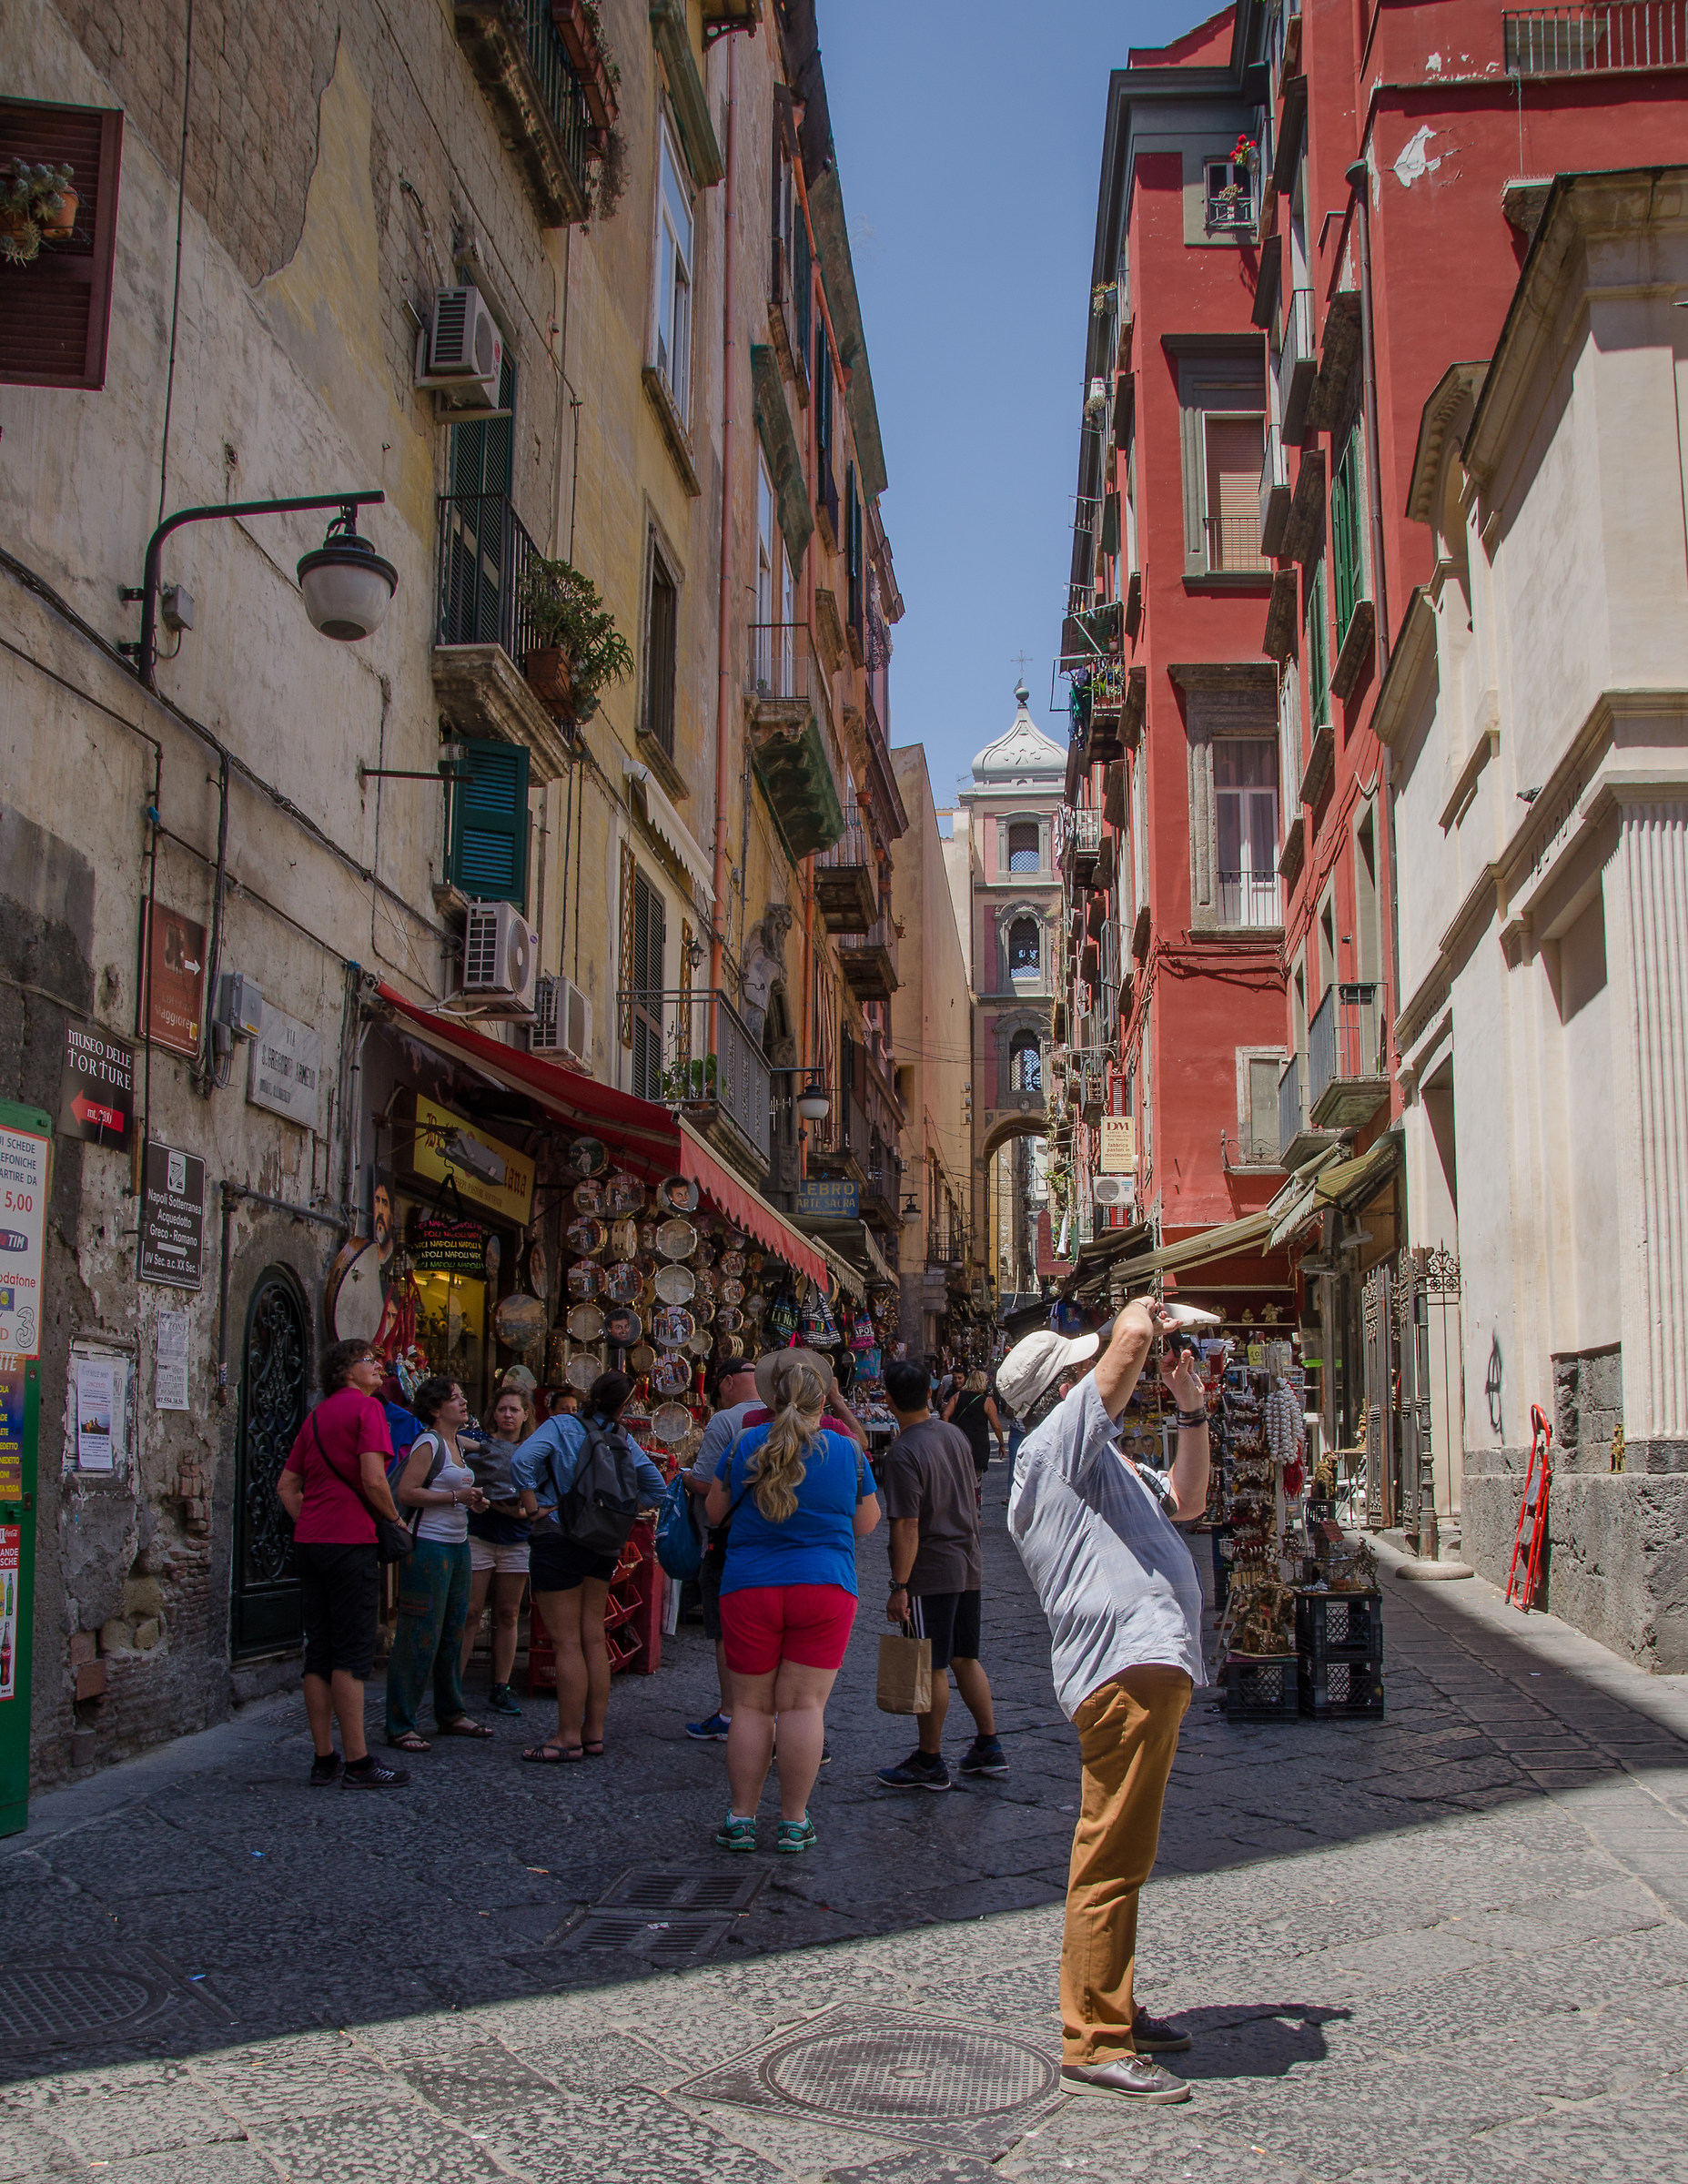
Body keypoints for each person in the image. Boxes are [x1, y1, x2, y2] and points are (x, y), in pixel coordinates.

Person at [1001, 1299, 1210, 2105]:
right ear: (1065, 1391)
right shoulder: (1053, 1450)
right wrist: (1143, 1315)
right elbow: (1124, 1345)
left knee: (1125, 1853)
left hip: (1144, 1666)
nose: (1098, 1377)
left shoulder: (1102, 1463)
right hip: (1123, 1670)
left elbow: (1187, 1504)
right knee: (1111, 1857)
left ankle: (1110, 2004)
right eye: (1082, 1372)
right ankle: (1093, 2035)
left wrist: (1190, 1409)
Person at [703, 1355, 880, 1854]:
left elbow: (716, 1511)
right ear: (823, 1401)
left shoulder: (744, 1443)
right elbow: (866, 1523)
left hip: (749, 1587)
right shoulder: (847, 1450)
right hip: (825, 1587)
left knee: (751, 1708)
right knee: (803, 1706)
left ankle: (741, 1818)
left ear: (772, 1398)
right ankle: (794, 1821)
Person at [277, 1340, 410, 1789]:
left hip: (311, 1542)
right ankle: (358, 1763)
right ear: (347, 1371)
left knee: (319, 1651)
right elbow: (373, 1477)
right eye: (369, 1361)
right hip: (350, 1543)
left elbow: (286, 1487)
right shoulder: (367, 1410)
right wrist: (395, 1520)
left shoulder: (316, 1417)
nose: (378, 1367)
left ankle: (323, 1758)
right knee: (352, 1656)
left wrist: (313, 1520)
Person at [512, 1370, 666, 1763]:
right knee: (594, 1638)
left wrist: (533, 1508)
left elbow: (521, 1462)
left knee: (565, 1642)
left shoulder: (563, 1425)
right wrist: (617, 1512)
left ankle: (566, 1737)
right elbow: (656, 1489)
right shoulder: (622, 1436)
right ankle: (593, 1734)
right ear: (624, 1404)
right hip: (603, 1543)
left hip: (559, 1536)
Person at [875, 1359, 1006, 1790]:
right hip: (967, 1560)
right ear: (929, 1395)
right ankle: (988, 1745)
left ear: (888, 1399)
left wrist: (899, 1585)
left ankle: (930, 1758)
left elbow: (907, 1524)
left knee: (930, 1663)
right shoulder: (951, 1435)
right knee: (965, 1656)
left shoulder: (904, 1452)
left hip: (931, 1569)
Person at [385, 1377, 495, 1754]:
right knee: (419, 1634)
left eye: (462, 1396)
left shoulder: (457, 1445)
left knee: (454, 1630)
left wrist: (472, 1500)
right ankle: (400, 1723)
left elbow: (452, 1493)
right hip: (428, 1547)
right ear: (436, 1409)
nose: (463, 1402)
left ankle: (451, 1712)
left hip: (457, 1544)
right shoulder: (429, 1443)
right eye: (455, 1398)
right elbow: (406, 1492)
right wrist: (455, 1496)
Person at [681, 1354, 760, 1741]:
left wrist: (684, 1478)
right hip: (780, 1546)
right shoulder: (794, 1420)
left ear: (727, 1383)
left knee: (727, 1631)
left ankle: (731, 1713)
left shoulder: (728, 1421)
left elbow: (708, 1487)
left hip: (728, 1540)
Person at [459, 1384, 534, 1716]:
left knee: (508, 1613)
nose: (507, 1415)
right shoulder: (480, 1447)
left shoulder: (533, 1451)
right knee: (470, 1613)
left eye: (514, 1410)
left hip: (516, 1538)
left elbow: (540, 1499)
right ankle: (454, 1684)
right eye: (503, 1409)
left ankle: (500, 1686)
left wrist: (515, 1511)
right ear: (494, 1413)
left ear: (525, 1415)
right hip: (480, 1535)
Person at [944, 1369, 1006, 1503]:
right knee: (975, 1479)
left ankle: (959, 1507)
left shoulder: (957, 1397)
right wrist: (1001, 1444)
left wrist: (947, 1433)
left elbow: (945, 1415)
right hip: (978, 1445)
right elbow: (996, 1425)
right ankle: (974, 1510)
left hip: (959, 1442)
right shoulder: (987, 1401)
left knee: (959, 1476)